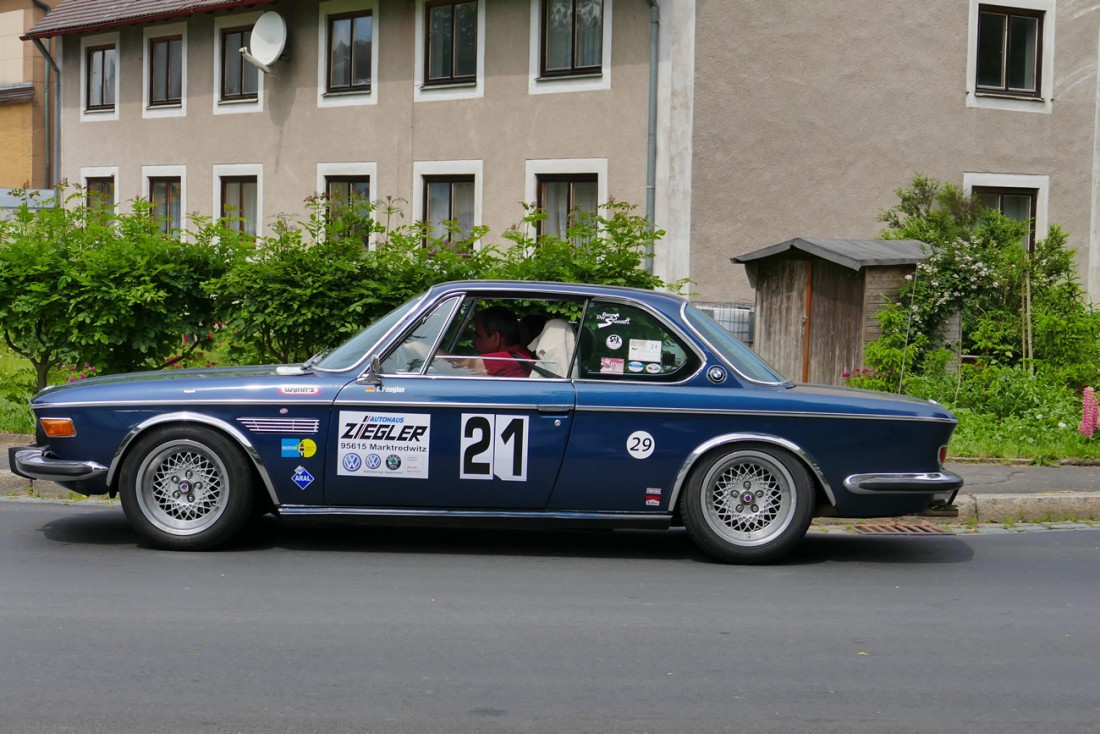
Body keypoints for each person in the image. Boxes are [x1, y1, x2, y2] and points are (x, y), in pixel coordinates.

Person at [472, 306, 536, 377]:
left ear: (496, 337)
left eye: (478, 336)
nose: (473, 342)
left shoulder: (504, 360)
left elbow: (460, 365)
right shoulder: (523, 356)